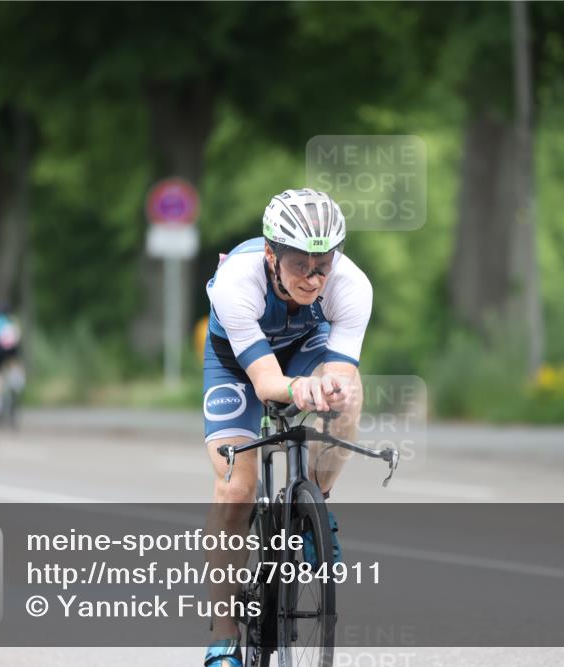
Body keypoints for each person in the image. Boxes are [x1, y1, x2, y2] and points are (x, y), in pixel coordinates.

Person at [202, 188, 372, 667]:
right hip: (237, 363)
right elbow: (267, 382)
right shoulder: (236, 280)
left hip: (305, 345)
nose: (314, 279)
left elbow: (339, 374)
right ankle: (223, 636)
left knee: (350, 397)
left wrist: (329, 391)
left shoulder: (352, 286)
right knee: (236, 489)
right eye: (301, 265)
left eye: (324, 265)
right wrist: (295, 389)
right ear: (271, 254)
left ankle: (313, 506)